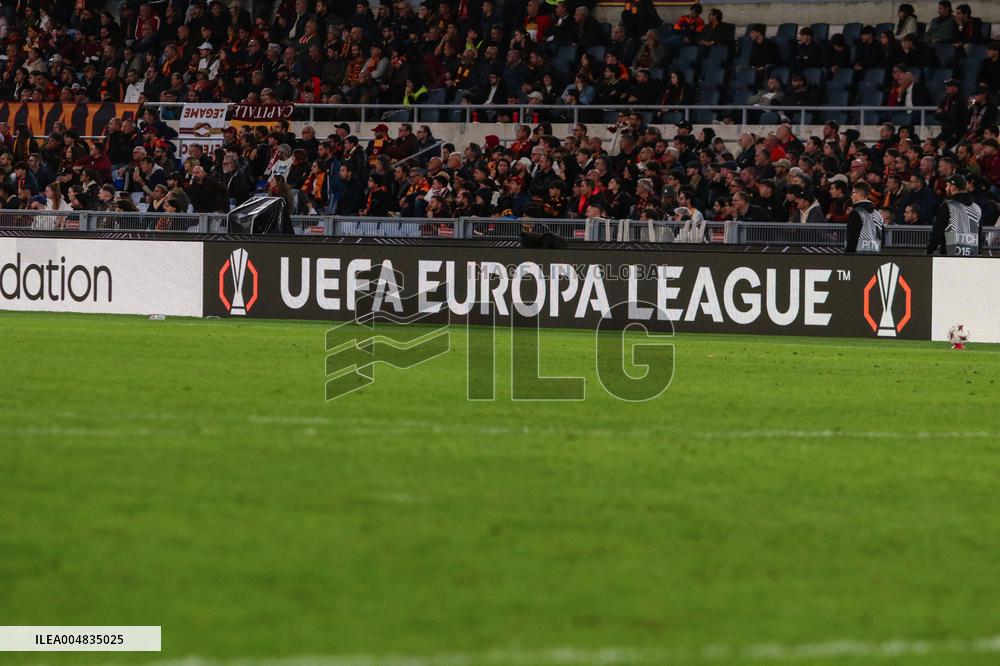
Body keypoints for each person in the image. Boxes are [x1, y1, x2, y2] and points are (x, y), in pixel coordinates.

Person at [927, 174, 982, 254]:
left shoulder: (948, 206)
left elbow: (937, 233)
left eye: (947, 186)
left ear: (953, 187)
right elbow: (979, 237)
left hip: (950, 257)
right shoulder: (977, 208)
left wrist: (929, 251)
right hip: (971, 258)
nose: (946, 188)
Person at [845, 181, 884, 253]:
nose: (851, 196)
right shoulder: (877, 214)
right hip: (876, 256)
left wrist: (847, 255)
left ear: (859, 194)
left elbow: (852, 237)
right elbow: (882, 239)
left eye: (853, 193)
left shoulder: (856, 212)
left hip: (858, 258)